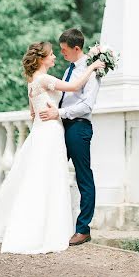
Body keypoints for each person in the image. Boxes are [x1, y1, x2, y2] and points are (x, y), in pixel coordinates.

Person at [0, 41, 103, 254]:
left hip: (41, 131)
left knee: (37, 177)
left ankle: (36, 224)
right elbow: (74, 87)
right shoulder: (45, 78)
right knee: (50, 178)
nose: (55, 57)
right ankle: (46, 229)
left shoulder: (33, 82)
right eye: (52, 54)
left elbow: (32, 112)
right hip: (51, 131)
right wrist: (92, 67)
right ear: (42, 59)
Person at [39, 28, 101, 246]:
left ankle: (83, 229)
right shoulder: (69, 70)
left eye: (64, 50)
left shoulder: (92, 72)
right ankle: (51, 224)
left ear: (77, 48)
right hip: (60, 126)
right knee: (52, 172)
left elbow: (86, 105)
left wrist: (60, 113)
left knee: (83, 177)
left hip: (78, 128)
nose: (61, 53)